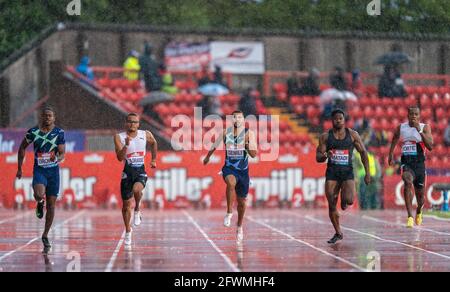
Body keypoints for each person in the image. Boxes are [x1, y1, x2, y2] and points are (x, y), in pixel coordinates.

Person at [316, 109, 371, 244]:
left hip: (347, 172)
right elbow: (318, 157)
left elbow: (363, 152)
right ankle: (338, 232)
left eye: (340, 118)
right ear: (332, 120)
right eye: (336, 119)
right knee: (331, 203)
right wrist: (325, 156)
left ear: (344, 120)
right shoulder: (325, 137)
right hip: (332, 173)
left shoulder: (352, 135)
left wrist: (367, 173)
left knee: (349, 200)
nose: (338, 121)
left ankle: (345, 201)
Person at [16, 106, 66, 254]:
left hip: (53, 172)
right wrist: (19, 168)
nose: (48, 118)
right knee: (39, 194)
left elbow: (62, 152)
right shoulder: (33, 132)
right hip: (40, 170)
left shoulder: (59, 133)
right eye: (45, 116)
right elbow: (22, 148)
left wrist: (58, 157)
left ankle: (45, 235)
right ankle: (39, 202)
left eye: (50, 116)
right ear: (41, 117)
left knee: (51, 206)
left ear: (54, 118)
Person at [203, 111, 258, 243]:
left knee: (242, 202)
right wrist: (207, 157)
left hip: (243, 171)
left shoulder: (249, 134)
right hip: (229, 168)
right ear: (231, 119)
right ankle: (228, 213)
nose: (237, 119)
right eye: (234, 117)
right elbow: (214, 145)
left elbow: (254, 154)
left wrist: (245, 145)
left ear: (243, 119)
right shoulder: (225, 132)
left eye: (239, 117)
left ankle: (239, 226)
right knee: (230, 183)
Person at [114, 113, 158, 246]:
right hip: (127, 173)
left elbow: (154, 143)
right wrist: (126, 146)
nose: (132, 124)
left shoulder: (145, 134)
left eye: (135, 122)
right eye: (130, 122)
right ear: (125, 123)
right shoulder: (119, 137)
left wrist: (154, 159)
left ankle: (137, 209)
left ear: (138, 124)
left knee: (137, 189)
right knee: (126, 205)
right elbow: (120, 158)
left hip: (140, 171)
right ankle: (128, 230)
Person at [388, 106, 434, 227]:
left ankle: (419, 210)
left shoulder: (425, 127)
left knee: (421, 198)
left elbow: (430, 146)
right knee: (407, 181)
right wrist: (391, 154)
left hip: (419, 165)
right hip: (407, 163)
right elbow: (394, 138)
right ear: (408, 115)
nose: (414, 116)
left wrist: (419, 131)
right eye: (411, 114)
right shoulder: (401, 127)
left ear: (419, 116)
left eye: (416, 114)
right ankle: (409, 216)